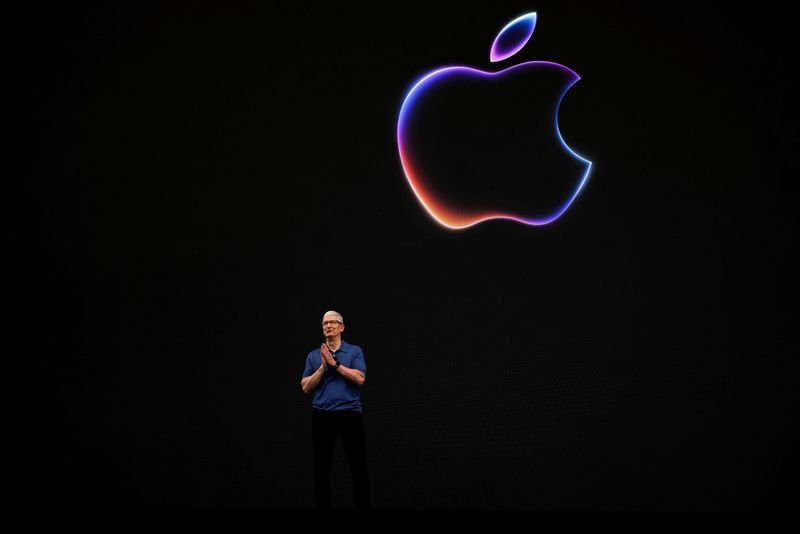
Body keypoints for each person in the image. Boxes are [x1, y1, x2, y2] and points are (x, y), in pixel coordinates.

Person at [301, 310, 371, 510]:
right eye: (325, 323)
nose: (328, 326)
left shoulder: (354, 351)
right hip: (322, 415)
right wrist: (323, 367)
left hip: (350, 414)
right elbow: (305, 387)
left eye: (333, 322)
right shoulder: (314, 356)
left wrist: (335, 364)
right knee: (321, 469)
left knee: (358, 467)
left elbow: (360, 378)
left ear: (342, 327)